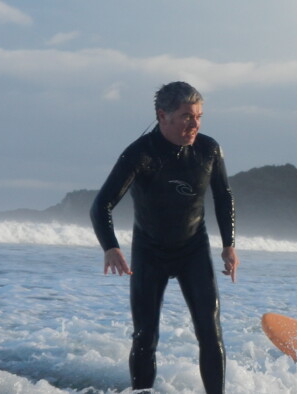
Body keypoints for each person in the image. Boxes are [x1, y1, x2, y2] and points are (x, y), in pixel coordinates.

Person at [90, 81, 239, 394]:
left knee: (211, 333)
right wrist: (111, 247)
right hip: (150, 252)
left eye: (198, 116)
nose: (194, 123)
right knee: (145, 336)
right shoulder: (141, 153)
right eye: (186, 116)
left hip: (193, 250)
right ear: (162, 115)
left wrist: (229, 245)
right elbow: (101, 204)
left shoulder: (208, 149)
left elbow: (223, 197)